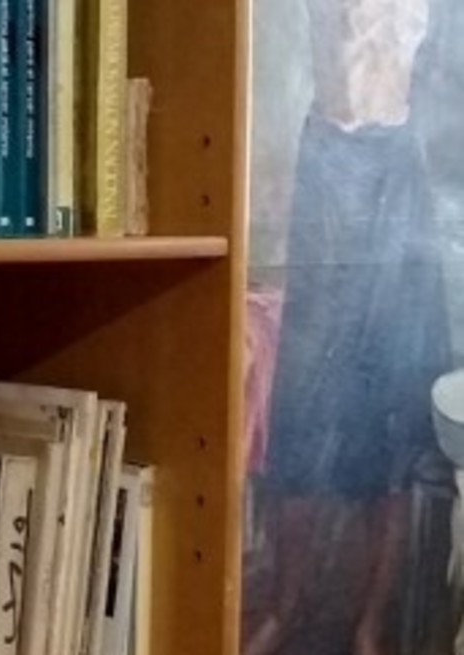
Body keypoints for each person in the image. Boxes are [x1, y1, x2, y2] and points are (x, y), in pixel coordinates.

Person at [245, 0, 452, 654]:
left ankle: (370, 623)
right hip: (332, 164)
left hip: (401, 169)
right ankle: (284, 605)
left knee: (394, 414)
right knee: (303, 409)